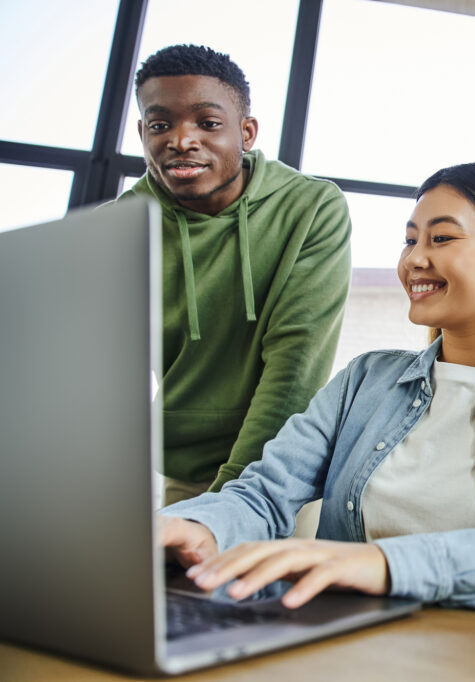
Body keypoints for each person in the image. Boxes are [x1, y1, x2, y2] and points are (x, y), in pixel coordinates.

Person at [158, 162, 475, 615]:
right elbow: (265, 494)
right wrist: (197, 527)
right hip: (340, 638)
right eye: (409, 241)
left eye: (441, 238)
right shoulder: (365, 380)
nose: (415, 259)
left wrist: (390, 564)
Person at [117, 45, 351, 505]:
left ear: (246, 133)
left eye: (207, 123)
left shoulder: (311, 208)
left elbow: (294, 367)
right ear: (143, 133)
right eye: (160, 125)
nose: (181, 140)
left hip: (283, 470)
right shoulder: (123, 226)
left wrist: (229, 503)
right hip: (180, 468)